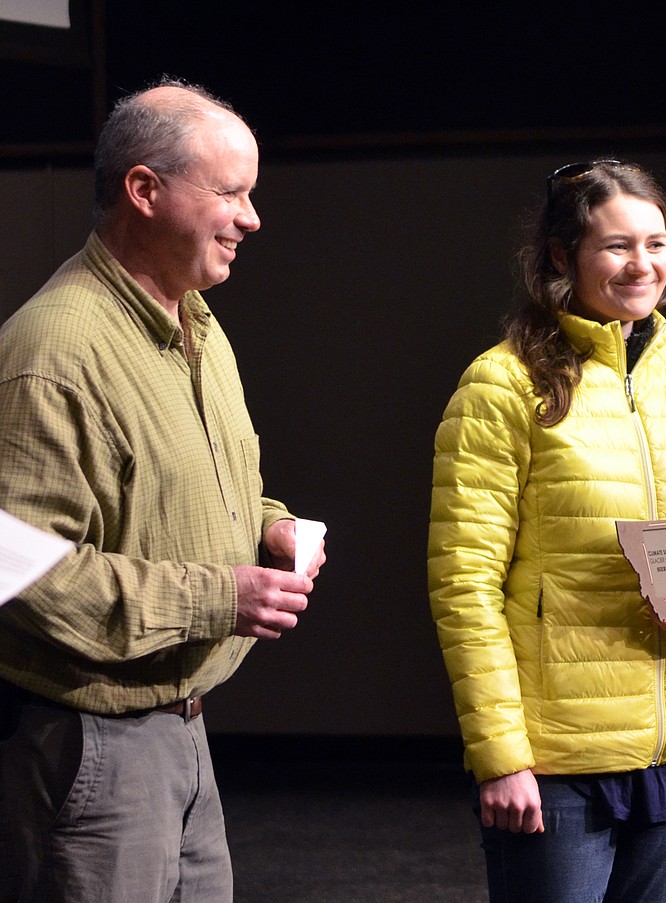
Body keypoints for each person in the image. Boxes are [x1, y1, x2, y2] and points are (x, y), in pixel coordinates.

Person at [0, 78, 326, 903]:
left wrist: (270, 526)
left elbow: (191, 491)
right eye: (230, 193)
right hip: (91, 747)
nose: (251, 217)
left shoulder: (197, 327)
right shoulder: (54, 351)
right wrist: (221, 595)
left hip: (182, 733)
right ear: (144, 191)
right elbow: (20, 572)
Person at [427, 159, 666, 903]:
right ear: (561, 255)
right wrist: (500, 754)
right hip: (557, 761)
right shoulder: (502, 383)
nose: (641, 264)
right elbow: (464, 584)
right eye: (616, 245)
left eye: (657, 242)